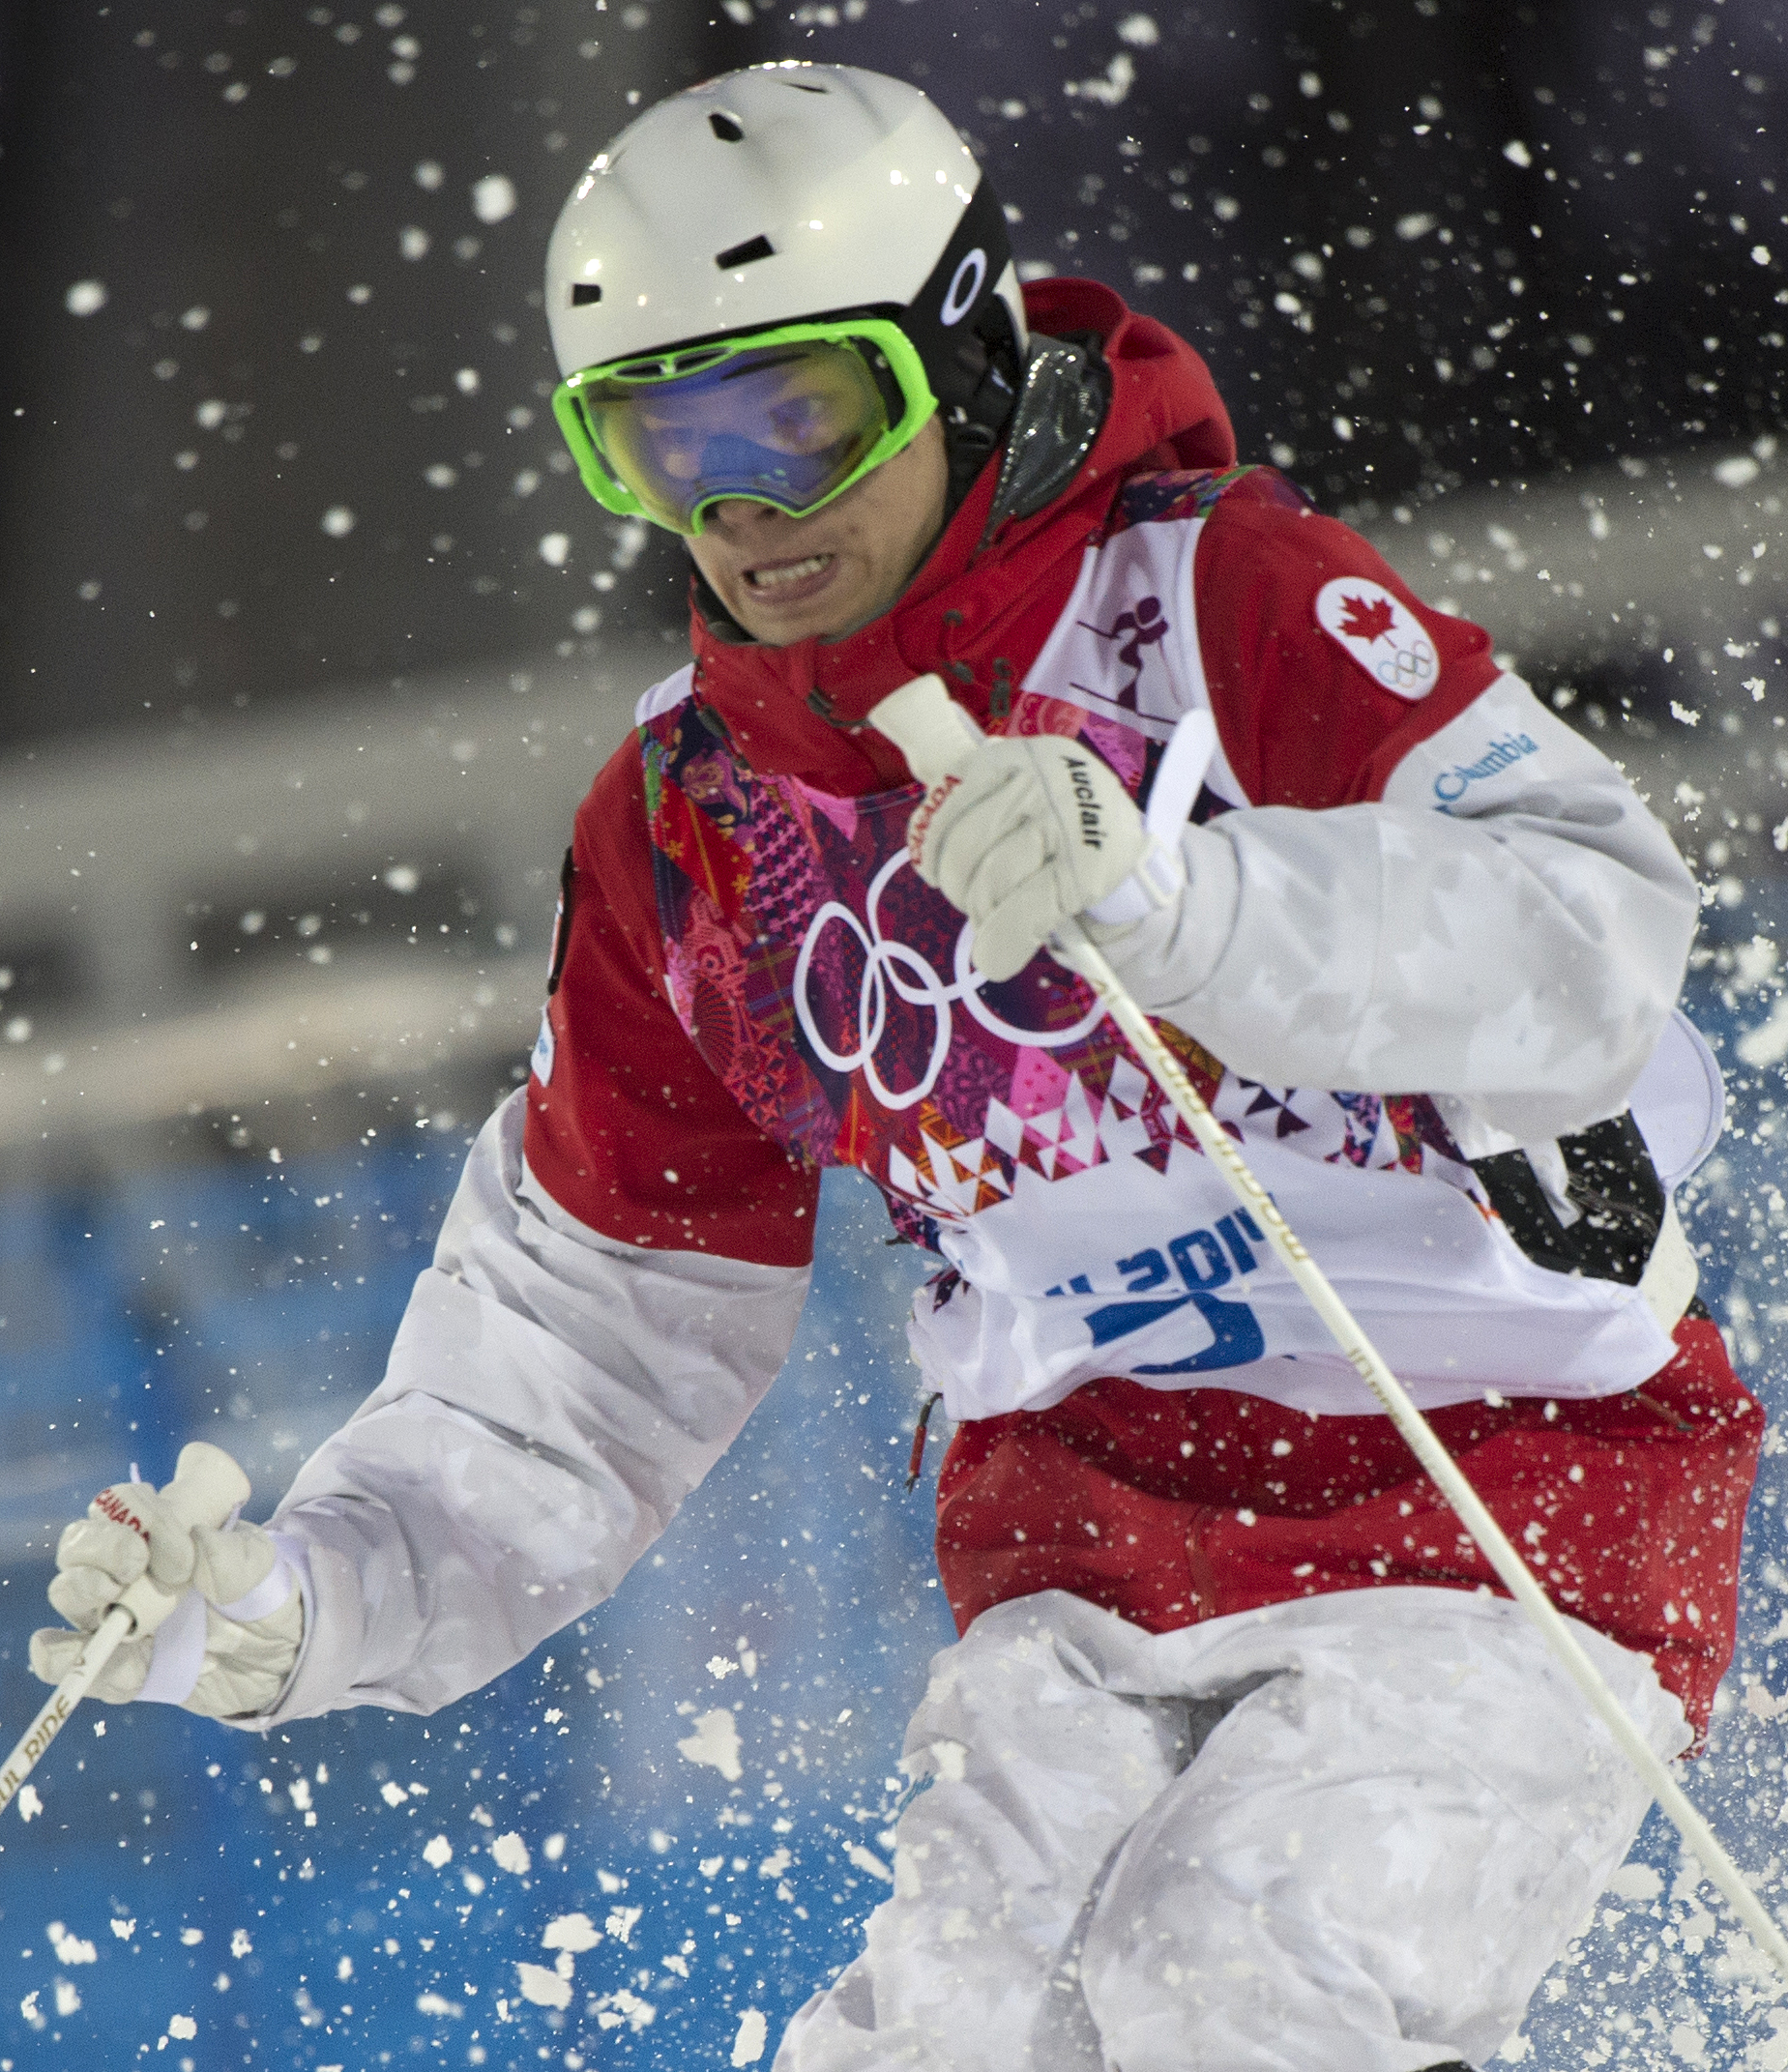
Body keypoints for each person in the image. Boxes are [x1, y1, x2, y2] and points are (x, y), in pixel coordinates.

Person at [32, 60, 1761, 2072]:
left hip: (1496, 1476)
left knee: (1233, 1991)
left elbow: (1592, 932)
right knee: (939, 2037)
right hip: (1085, 1533)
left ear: (953, 350)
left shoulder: (1221, 605)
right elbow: (590, 1345)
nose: (743, 510)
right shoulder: (691, 822)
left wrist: (1193, 901)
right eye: (657, 443)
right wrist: (310, 1598)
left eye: (799, 414)